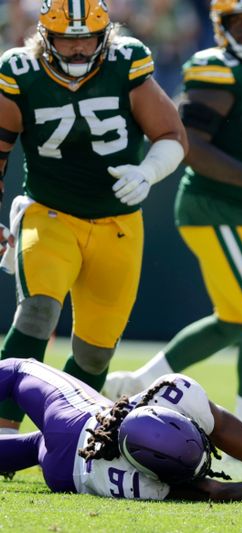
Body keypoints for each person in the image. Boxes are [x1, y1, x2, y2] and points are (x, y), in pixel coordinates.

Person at [0, 0, 187, 432]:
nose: (79, 49)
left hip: (118, 223)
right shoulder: (21, 72)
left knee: (96, 351)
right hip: (50, 212)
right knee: (38, 312)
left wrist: (149, 170)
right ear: (45, 37)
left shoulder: (127, 62)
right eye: (68, 38)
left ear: (105, 36)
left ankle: (62, 431)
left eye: (88, 38)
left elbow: (170, 133)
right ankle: (4, 430)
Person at [103, 0, 242, 434]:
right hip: (215, 204)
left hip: (240, 207)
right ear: (220, 26)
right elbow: (193, 147)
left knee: (234, 320)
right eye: (235, 22)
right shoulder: (212, 68)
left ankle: (141, 381)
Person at [0, 357, 242, 502]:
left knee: (16, 370)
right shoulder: (145, 485)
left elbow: (225, 486)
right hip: (63, 475)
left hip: (73, 421)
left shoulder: (171, 391)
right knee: (35, 447)